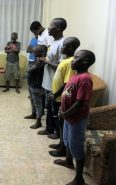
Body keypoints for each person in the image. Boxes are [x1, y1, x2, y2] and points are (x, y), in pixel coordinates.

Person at [54, 50, 95, 185]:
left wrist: (66, 113)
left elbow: (80, 103)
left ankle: (79, 179)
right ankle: (68, 161)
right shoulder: (75, 75)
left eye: (75, 58)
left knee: (76, 146)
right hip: (68, 117)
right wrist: (62, 109)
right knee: (67, 141)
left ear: (85, 61)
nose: (72, 60)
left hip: (76, 119)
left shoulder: (85, 79)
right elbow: (67, 93)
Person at [48, 37, 80, 157]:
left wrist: (55, 94)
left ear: (70, 48)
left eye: (64, 46)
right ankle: (61, 143)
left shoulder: (71, 62)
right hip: (56, 96)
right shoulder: (65, 60)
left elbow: (67, 83)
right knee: (58, 122)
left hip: (60, 98)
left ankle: (63, 148)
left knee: (61, 124)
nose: (61, 47)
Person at [37, 18, 67, 137]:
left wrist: (46, 62)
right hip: (48, 80)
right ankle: (49, 129)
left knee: (55, 109)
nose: (48, 28)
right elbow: (50, 60)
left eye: (51, 26)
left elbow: (61, 67)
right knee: (49, 107)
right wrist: (44, 60)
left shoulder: (63, 43)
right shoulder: (53, 41)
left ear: (58, 28)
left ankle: (56, 132)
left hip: (56, 82)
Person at [28, 45, 47, 129]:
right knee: (33, 101)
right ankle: (33, 114)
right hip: (32, 83)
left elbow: (30, 70)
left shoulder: (41, 61)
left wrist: (31, 67)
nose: (33, 52)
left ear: (41, 53)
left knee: (38, 103)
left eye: (35, 51)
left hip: (37, 85)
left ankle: (38, 121)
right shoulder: (38, 59)